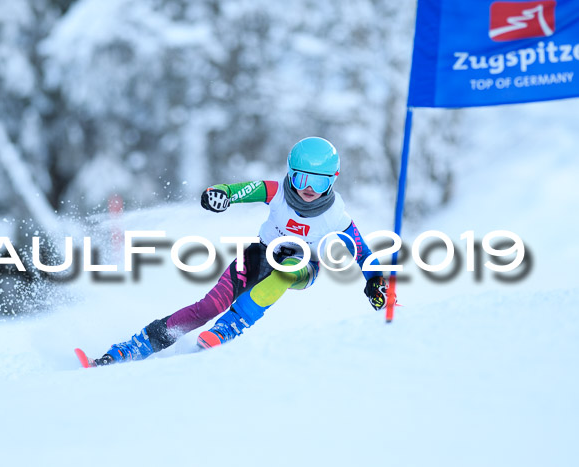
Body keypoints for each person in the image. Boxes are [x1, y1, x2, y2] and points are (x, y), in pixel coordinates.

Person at [92, 136, 390, 366]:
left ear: (333, 179)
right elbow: (240, 190)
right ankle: (134, 347)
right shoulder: (278, 192)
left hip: (303, 266)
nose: (308, 189)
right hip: (259, 254)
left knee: (287, 270)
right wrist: (219, 195)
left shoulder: (335, 216)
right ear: (290, 173)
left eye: (319, 181)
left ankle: (229, 328)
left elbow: (362, 253)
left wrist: (375, 280)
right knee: (208, 306)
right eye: (301, 178)